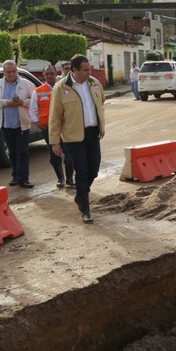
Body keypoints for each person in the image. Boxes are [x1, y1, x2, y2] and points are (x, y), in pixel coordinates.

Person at [49, 54, 106, 224]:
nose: (89, 72)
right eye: (85, 70)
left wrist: (101, 125)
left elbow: (101, 102)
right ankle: (85, 208)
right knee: (82, 170)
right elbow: (55, 117)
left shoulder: (94, 83)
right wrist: (54, 141)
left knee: (94, 168)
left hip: (92, 133)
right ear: (74, 70)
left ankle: (81, 195)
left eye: (90, 69)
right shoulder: (61, 88)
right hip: (73, 137)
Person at [0, 60, 35, 188]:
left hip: (22, 124)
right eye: (8, 72)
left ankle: (24, 179)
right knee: (12, 152)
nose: (11, 74)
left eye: (14, 71)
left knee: (22, 152)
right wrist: (7, 102)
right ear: (3, 72)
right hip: (6, 124)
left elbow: (35, 99)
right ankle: (15, 176)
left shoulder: (26, 84)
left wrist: (23, 102)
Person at [30, 64, 68, 187]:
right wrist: (38, 123)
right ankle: (61, 178)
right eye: (47, 74)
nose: (49, 76)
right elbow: (33, 110)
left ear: (56, 73)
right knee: (54, 153)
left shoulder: (63, 87)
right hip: (49, 128)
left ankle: (70, 178)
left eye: (52, 73)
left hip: (65, 127)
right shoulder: (38, 91)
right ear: (43, 75)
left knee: (69, 152)